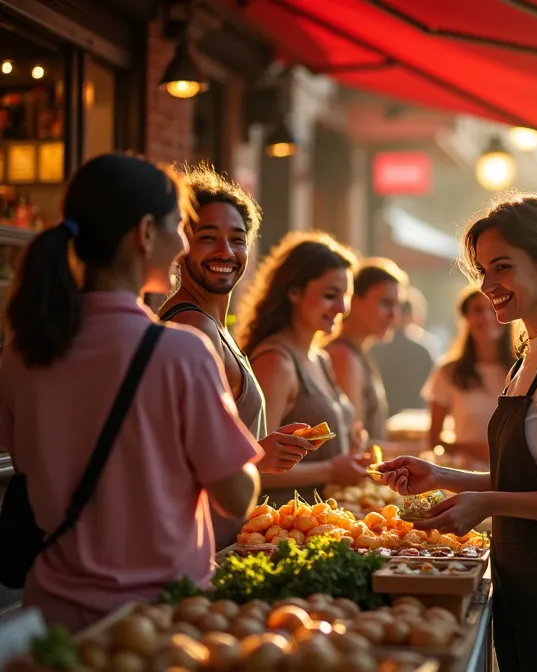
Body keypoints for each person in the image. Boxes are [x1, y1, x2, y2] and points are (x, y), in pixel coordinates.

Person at [0, 154, 262, 631]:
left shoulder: (23, 348)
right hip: (157, 620)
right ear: (145, 234)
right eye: (179, 227)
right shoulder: (181, 351)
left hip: (51, 614)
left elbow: (26, 463)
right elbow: (236, 495)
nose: (182, 242)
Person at [376, 192, 537, 670]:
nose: (488, 284)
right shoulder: (530, 355)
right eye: (482, 271)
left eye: (502, 267)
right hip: (525, 588)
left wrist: (489, 502)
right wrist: (443, 476)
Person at [158, 163, 318, 546]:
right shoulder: (193, 329)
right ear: (182, 245)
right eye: (208, 238)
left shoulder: (215, 327)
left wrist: (267, 446)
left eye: (238, 239)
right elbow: (169, 457)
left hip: (228, 540)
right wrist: (259, 455)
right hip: (200, 547)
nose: (226, 252)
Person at [239, 232, 371, 506]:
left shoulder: (320, 357)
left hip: (323, 519)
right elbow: (254, 465)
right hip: (282, 530)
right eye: (330, 295)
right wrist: (333, 469)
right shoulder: (276, 361)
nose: (342, 307)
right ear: (294, 292)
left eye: (346, 295)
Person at [421, 285, 515, 468]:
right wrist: (482, 451)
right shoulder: (448, 372)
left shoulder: (524, 369)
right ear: (466, 318)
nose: (487, 317)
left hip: (515, 477)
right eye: (478, 310)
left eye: (494, 308)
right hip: (466, 476)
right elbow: (434, 440)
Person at [326, 259, 407, 446]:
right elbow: (355, 443)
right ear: (353, 300)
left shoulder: (358, 353)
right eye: (385, 303)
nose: (394, 315)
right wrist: (419, 449)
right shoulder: (343, 356)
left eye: (398, 306)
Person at [371, 290, 439, 412]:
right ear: (410, 316)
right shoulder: (423, 349)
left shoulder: (373, 348)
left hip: (385, 416)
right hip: (415, 419)